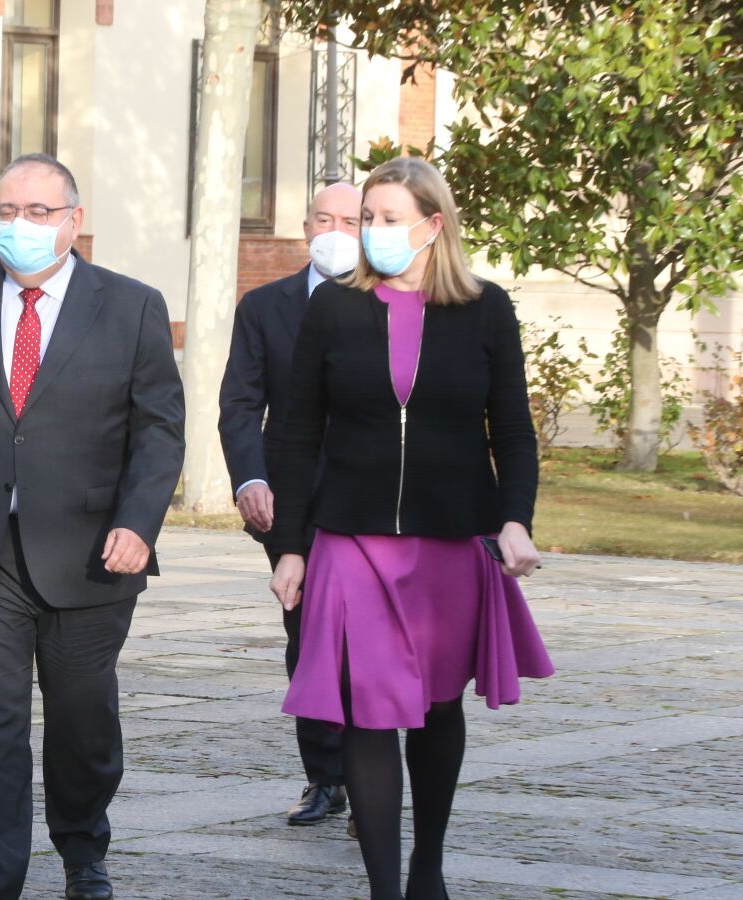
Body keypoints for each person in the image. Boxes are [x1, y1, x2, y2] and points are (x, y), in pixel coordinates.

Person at [268, 156, 554, 900]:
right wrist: (290, 546)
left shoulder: (486, 309)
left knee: (435, 706)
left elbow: (512, 430)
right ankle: (385, 890)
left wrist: (515, 520)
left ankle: (428, 870)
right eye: (368, 217)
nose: (373, 231)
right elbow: (296, 435)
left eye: (389, 219)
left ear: (433, 225)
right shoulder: (333, 309)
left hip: (450, 542)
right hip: (350, 539)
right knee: (367, 710)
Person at [0, 154, 185, 900]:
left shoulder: (131, 306)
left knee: (81, 720)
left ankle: (81, 846)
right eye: (7, 211)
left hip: (92, 553)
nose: (21, 225)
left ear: (74, 221)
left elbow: (159, 430)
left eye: (39, 212)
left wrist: (138, 522)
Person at [218, 181, 361, 829]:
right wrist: (250, 479)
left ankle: (373, 769)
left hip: (372, 500)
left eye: (350, 221)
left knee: (371, 643)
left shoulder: (393, 301)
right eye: (324, 219)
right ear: (305, 228)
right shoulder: (264, 307)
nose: (335, 232)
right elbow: (241, 402)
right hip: (291, 503)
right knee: (308, 639)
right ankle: (326, 777)